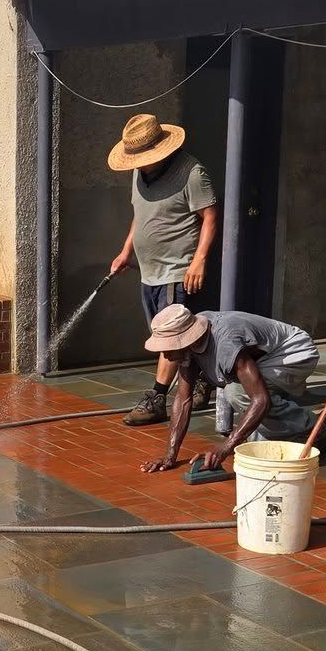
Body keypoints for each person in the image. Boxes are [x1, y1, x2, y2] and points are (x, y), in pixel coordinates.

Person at [137, 303, 326, 475]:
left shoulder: (224, 342)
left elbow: (260, 399)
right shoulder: (190, 347)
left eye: (168, 346)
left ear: (186, 338)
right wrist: (170, 455)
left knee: (238, 394)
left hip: (294, 352)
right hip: (265, 358)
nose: (165, 353)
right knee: (262, 433)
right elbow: (184, 399)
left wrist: (226, 447)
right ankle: (311, 422)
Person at [105, 113, 219, 426]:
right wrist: (126, 251)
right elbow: (139, 216)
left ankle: (157, 398)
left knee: (170, 337)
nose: (138, 163)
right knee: (167, 335)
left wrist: (199, 260)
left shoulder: (192, 172)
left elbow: (209, 216)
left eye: (143, 157)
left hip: (177, 268)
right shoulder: (139, 173)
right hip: (149, 270)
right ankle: (204, 377)